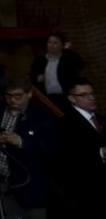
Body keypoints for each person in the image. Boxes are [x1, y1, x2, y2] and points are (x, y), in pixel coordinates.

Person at [0, 77, 57, 218]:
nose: (12, 100)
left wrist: (21, 142)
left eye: (18, 96)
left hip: (30, 186)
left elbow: (51, 148)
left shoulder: (42, 117)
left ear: (29, 94)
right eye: (8, 95)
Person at [54, 78, 106, 217]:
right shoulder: (65, 124)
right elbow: (69, 162)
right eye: (83, 95)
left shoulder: (101, 119)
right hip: (87, 194)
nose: (91, 98)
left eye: (92, 93)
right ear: (72, 98)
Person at [29, 32, 84, 111]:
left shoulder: (67, 58)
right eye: (49, 42)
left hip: (66, 97)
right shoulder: (39, 60)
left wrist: (68, 50)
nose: (51, 45)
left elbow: (80, 65)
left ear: (62, 45)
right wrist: (39, 78)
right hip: (47, 98)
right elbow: (33, 77)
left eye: (55, 43)